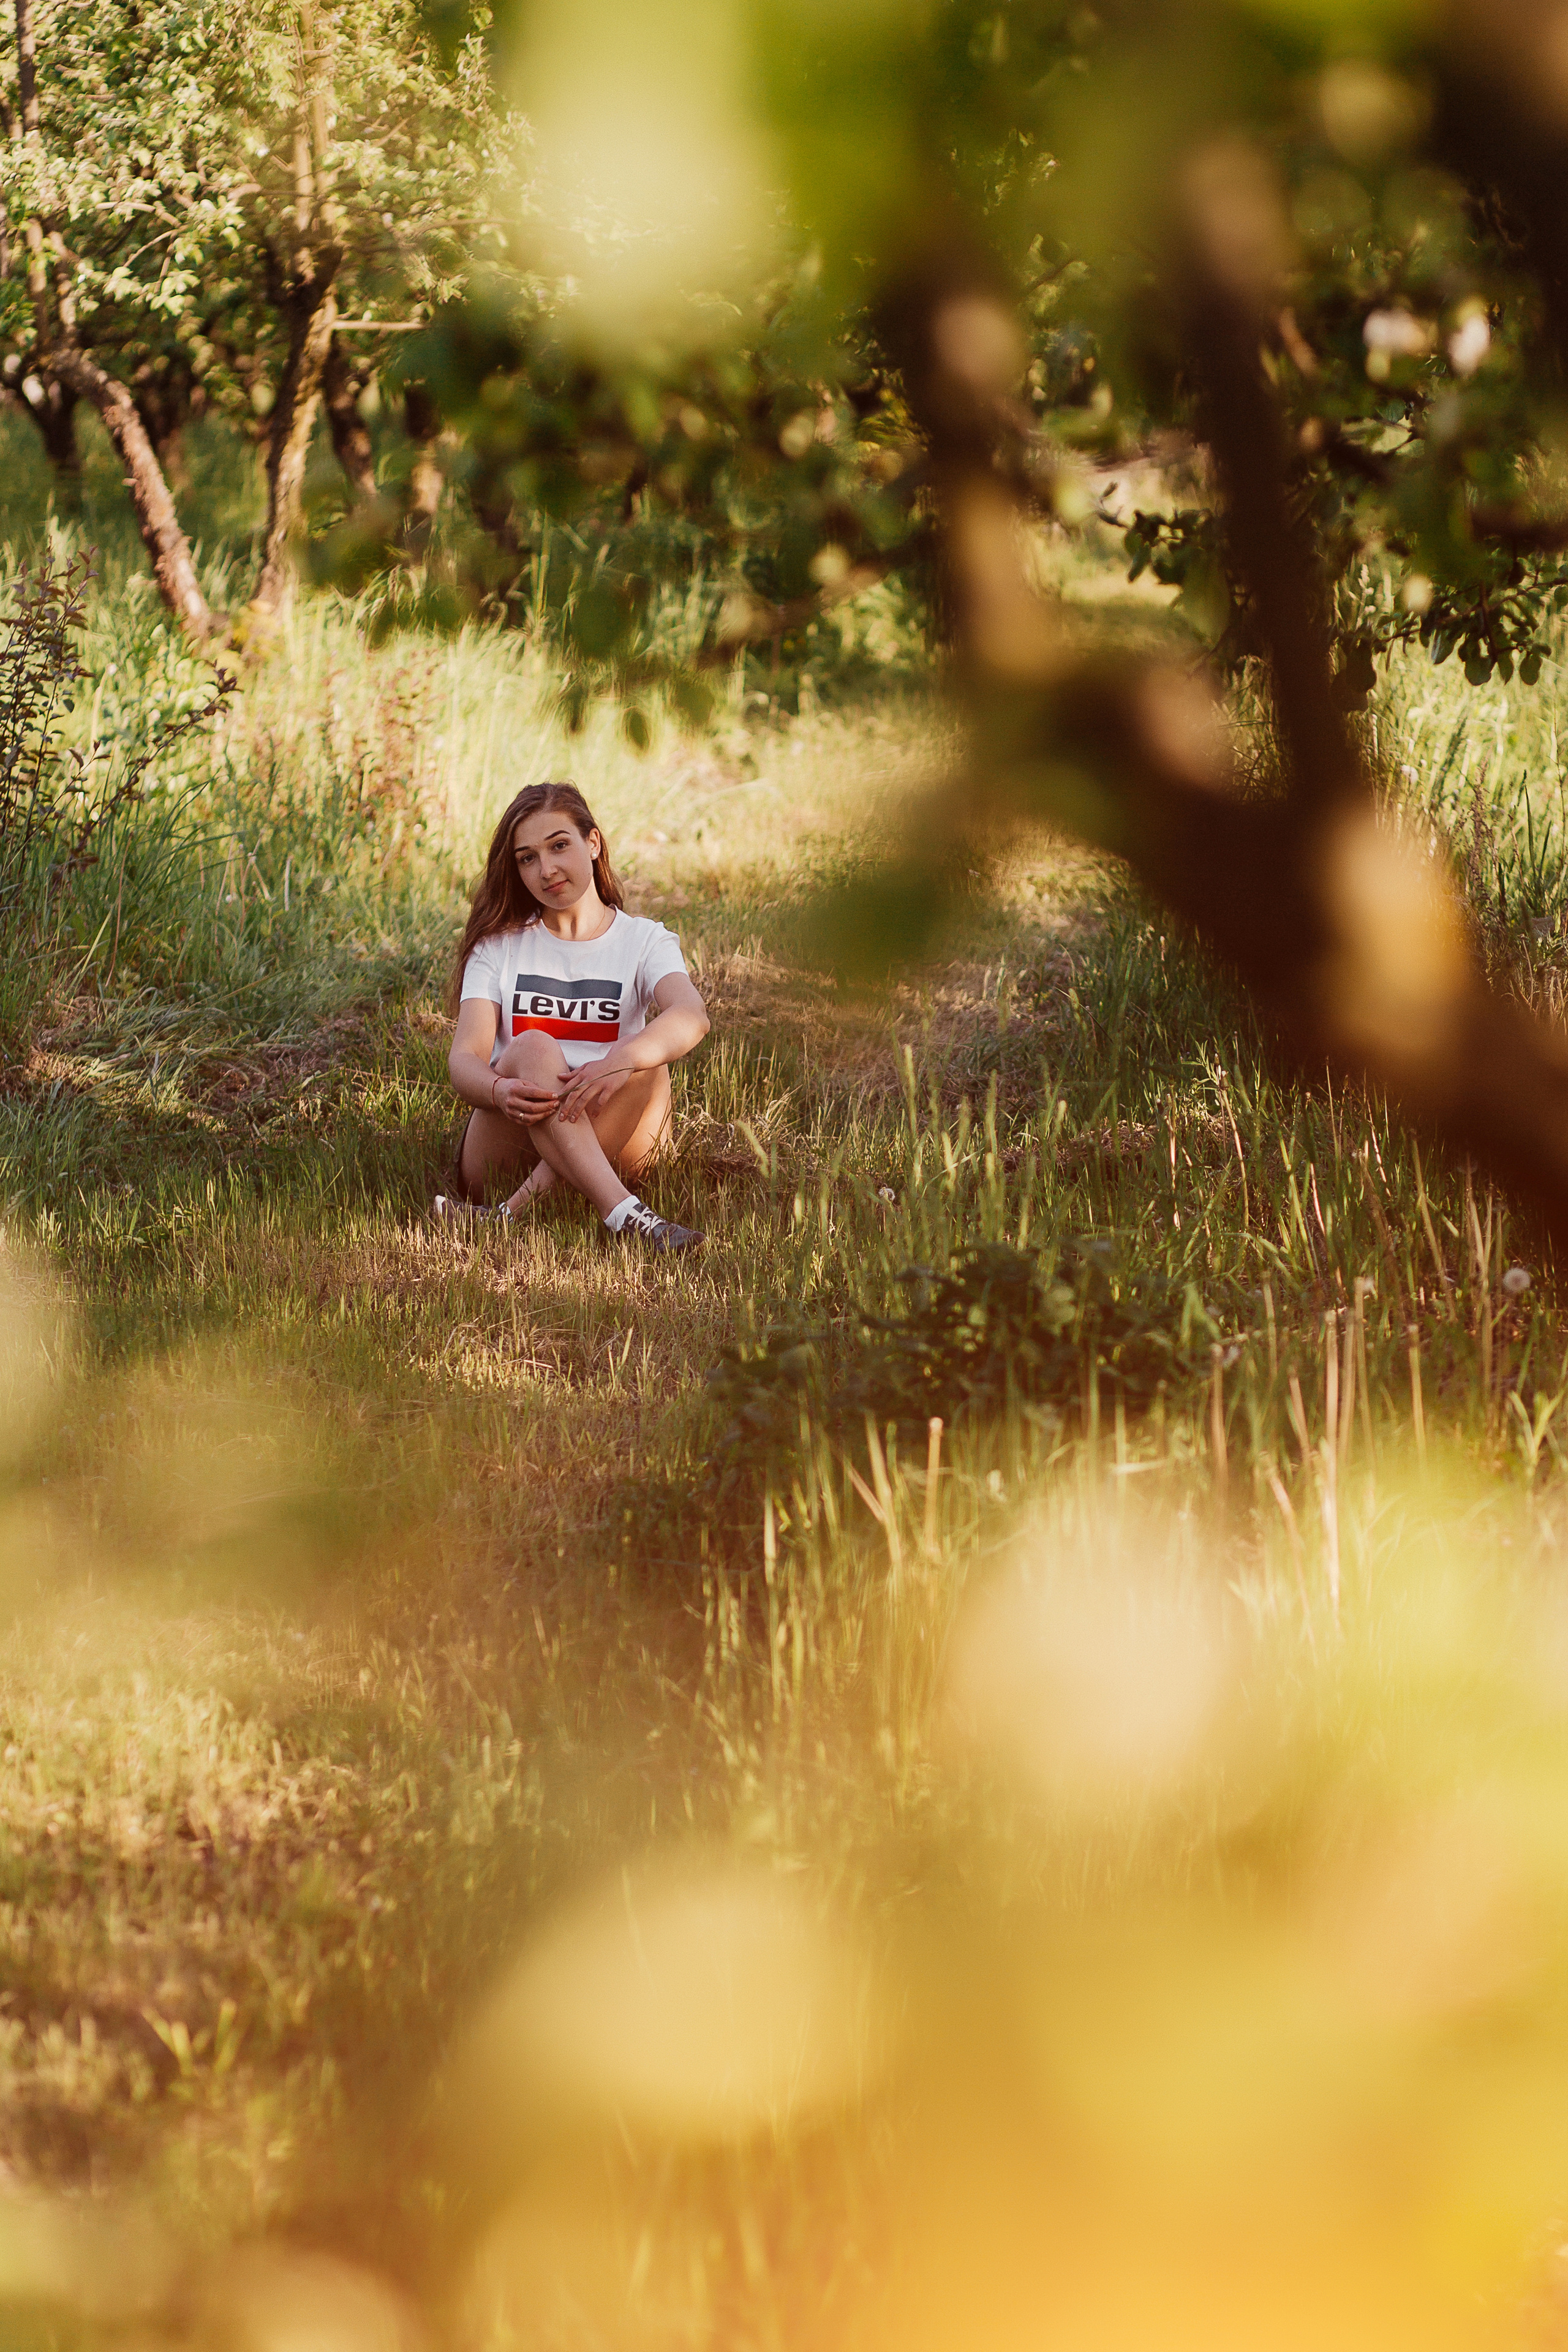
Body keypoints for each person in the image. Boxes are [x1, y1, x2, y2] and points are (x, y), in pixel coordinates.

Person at [437, 780, 710, 1253]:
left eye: (559, 846)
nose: (547, 870)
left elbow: (692, 1015)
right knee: (534, 1046)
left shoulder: (645, 940)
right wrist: (499, 1090)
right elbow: (464, 1060)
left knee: (647, 1058)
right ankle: (626, 1214)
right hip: (511, 1143)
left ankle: (508, 1217)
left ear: (593, 843)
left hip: (613, 1134)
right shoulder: (498, 948)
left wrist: (620, 1061)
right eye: (528, 858)